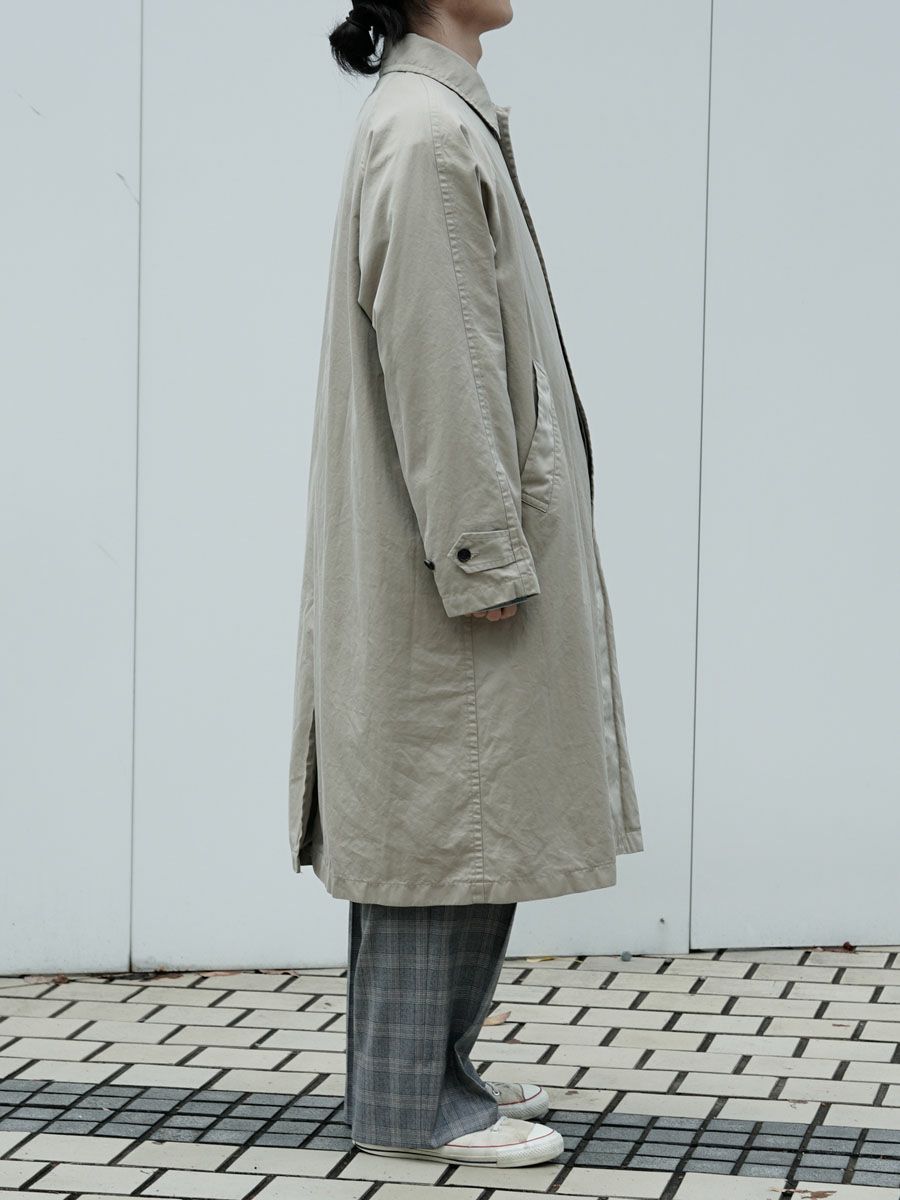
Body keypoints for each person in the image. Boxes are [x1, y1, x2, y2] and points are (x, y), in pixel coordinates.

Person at [287, 0, 645, 1167]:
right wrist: (480, 550)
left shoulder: (439, 116)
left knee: (460, 818)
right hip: (451, 556)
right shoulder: (428, 129)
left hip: (454, 543)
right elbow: (441, 362)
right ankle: (412, 1107)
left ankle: (432, 1077)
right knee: (442, 820)